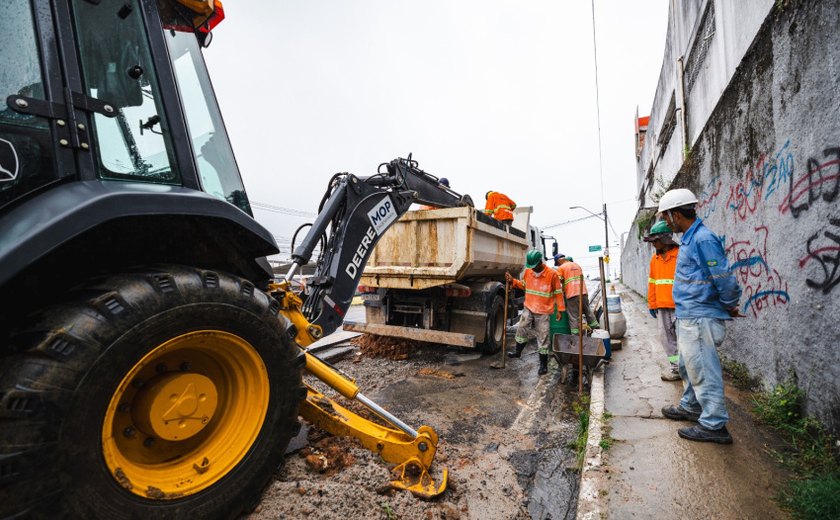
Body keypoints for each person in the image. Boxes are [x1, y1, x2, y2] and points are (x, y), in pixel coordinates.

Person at [658, 188, 742, 445]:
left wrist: (729, 303)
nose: (666, 222)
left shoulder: (703, 239)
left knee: (703, 369)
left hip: (700, 316)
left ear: (675, 214)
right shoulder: (689, 239)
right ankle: (692, 407)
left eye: (667, 216)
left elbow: (723, 277)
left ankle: (714, 424)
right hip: (689, 314)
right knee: (688, 366)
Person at [505, 250, 565, 375]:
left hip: (543, 311)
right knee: (521, 329)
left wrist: (560, 309)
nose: (533, 269)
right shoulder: (528, 271)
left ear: (540, 262)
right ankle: (517, 352)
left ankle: (543, 365)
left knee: (543, 337)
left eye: (535, 266)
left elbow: (558, 293)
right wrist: (513, 281)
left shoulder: (552, 274)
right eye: (531, 267)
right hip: (529, 307)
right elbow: (524, 285)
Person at [644, 220, 681, 381]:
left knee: (686, 341)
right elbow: (652, 283)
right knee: (667, 339)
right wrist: (652, 304)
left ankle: (690, 370)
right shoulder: (655, 260)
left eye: (655, 240)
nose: (653, 244)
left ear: (666, 238)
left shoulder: (680, 255)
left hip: (681, 306)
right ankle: (676, 368)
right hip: (662, 307)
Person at [554, 254, 599, 334]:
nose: (558, 266)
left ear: (559, 261)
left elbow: (558, 282)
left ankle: (575, 335)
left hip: (572, 295)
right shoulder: (577, 265)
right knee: (587, 311)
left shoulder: (562, 268)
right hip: (583, 292)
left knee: (573, 316)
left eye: (557, 264)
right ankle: (597, 330)